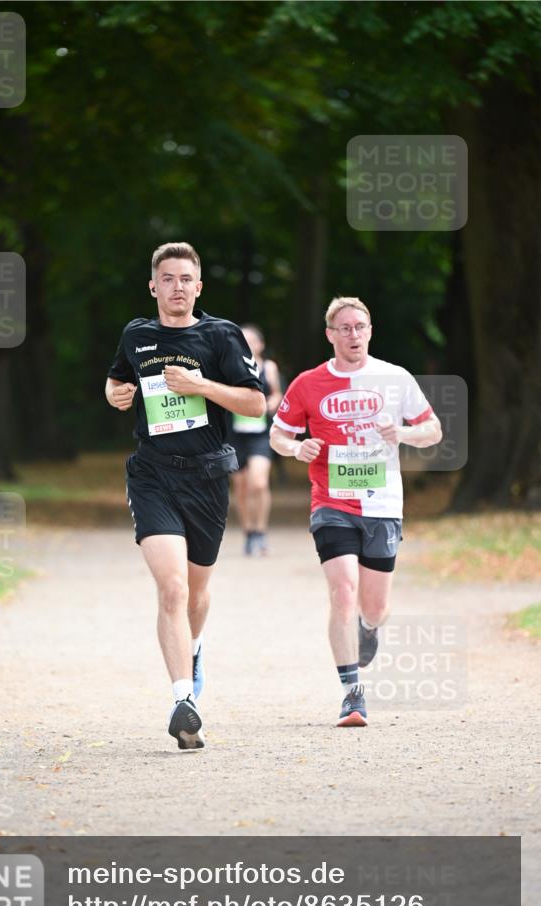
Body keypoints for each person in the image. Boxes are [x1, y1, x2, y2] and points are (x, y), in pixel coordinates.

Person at [105, 242, 265, 750]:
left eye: (185, 279)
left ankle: (193, 652)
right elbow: (116, 381)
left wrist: (203, 386)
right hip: (152, 475)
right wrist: (114, 393)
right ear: (153, 286)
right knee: (171, 589)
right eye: (167, 278)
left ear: (199, 286)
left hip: (207, 478)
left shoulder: (220, 335)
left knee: (196, 593)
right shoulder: (137, 335)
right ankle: (183, 699)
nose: (177, 287)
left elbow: (256, 404)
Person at [270, 296, 442, 727]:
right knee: (342, 590)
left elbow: (433, 430)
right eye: (343, 328)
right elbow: (278, 435)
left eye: (359, 327)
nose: (353, 334)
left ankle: (369, 626)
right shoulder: (308, 384)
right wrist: (297, 447)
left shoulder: (395, 378)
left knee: (373, 604)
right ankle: (352, 694)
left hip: (383, 503)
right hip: (331, 502)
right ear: (330, 335)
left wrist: (401, 432)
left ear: (370, 331)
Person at [229, 324, 282, 556]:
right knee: (240, 486)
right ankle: (248, 533)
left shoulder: (269, 367)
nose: (247, 345)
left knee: (258, 483)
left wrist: (272, 402)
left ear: (260, 345)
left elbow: (277, 394)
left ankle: (260, 531)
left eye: (252, 341)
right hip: (234, 435)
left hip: (261, 434)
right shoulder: (228, 366)